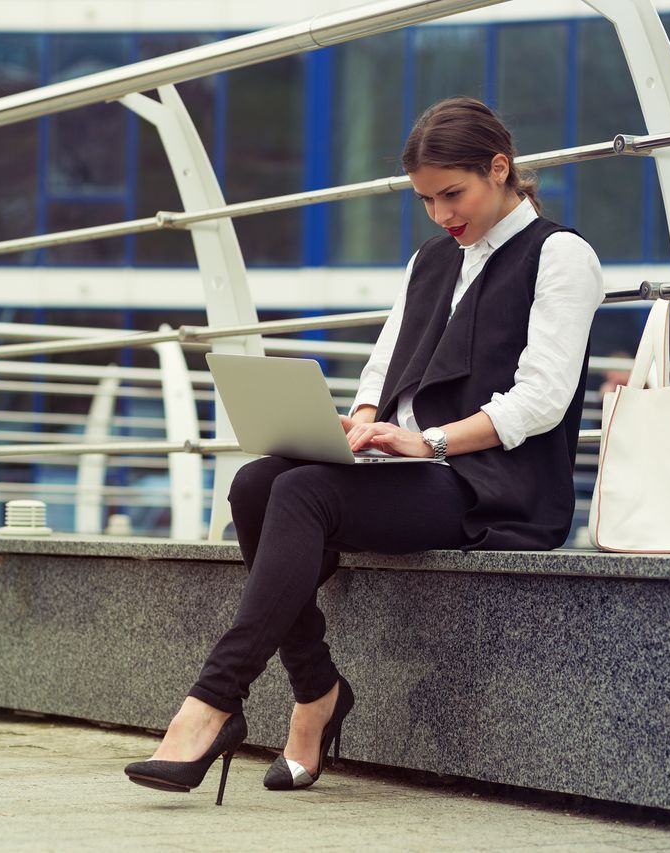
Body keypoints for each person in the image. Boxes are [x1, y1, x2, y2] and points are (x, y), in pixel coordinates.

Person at [123, 96, 605, 805]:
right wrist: (359, 427)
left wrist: (428, 439)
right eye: (426, 200)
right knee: (259, 481)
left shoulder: (561, 255)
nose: (442, 214)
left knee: (299, 493)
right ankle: (317, 689)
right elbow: (382, 370)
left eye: (454, 193)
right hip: (407, 466)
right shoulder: (433, 258)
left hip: (490, 484)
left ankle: (213, 702)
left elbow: (543, 399)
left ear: (500, 169)